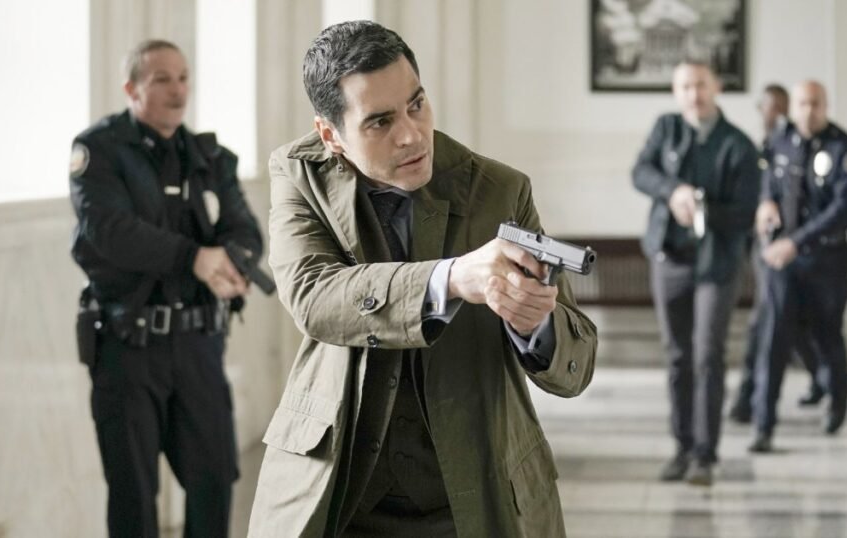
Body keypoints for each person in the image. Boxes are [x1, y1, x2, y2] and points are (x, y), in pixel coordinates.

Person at [246, 21, 597, 537]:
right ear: (330, 135)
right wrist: (451, 277)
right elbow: (314, 296)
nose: (410, 134)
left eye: (416, 104)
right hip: (338, 489)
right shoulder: (300, 174)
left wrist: (535, 324)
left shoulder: (499, 189)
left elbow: (577, 365)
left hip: (473, 491)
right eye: (380, 121)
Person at [69, 39, 263, 537]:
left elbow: (246, 231)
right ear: (131, 88)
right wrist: (193, 258)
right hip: (128, 346)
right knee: (134, 494)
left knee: (214, 480)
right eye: (162, 80)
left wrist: (233, 263)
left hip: (199, 345)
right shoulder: (99, 150)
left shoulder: (209, 156)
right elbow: (110, 231)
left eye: (183, 78)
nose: (178, 91)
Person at [632, 60, 760, 486]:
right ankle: (682, 447)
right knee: (677, 356)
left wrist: (703, 207)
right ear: (676, 91)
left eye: (701, 85)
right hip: (669, 259)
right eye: (685, 86)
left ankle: (705, 454)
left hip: (716, 265)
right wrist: (674, 192)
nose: (694, 94)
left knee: (707, 355)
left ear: (716, 87)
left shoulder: (739, 145)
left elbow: (745, 213)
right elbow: (641, 173)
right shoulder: (665, 128)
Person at [750, 80, 847, 453]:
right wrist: (766, 202)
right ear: (792, 107)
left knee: (827, 333)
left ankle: (838, 394)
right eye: (802, 104)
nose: (808, 111)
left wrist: (795, 242)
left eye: (815, 103)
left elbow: (841, 209)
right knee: (773, 338)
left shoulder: (845, 148)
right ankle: (763, 425)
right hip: (783, 259)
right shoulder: (780, 141)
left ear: (825, 105)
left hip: (828, 259)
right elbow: (768, 180)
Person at [729, 84, 824, 424]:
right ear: (762, 110)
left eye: (784, 107)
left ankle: (817, 377)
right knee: (768, 319)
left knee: (784, 320)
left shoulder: (798, 146)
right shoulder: (758, 149)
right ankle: (749, 399)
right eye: (773, 107)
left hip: (797, 245)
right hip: (765, 247)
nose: (779, 114)